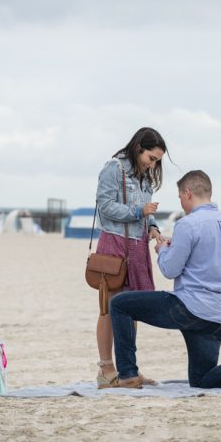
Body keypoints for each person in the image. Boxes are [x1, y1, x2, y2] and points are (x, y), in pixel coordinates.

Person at [110, 170, 221, 389]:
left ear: (188, 193)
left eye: (180, 197)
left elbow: (170, 270)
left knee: (119, 304)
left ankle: (127, 375)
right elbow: (214, 262)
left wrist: (162, 250)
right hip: (218, 316)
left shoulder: (187, 224)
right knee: (201, 380)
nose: (181, 203)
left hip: (189, 308)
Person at [93, 127, 169, 389]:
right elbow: (104, 206)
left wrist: (153, 227)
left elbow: (147, 213)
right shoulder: (114, 168)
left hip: (137, 247)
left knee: (132, 311)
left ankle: (128, 370)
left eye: (157, 161)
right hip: (114, 243)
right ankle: (106, 370)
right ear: (139, 148)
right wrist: (139, 211)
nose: (153, 164)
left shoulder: (145, 176)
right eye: (152, 158)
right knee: (108, 308)